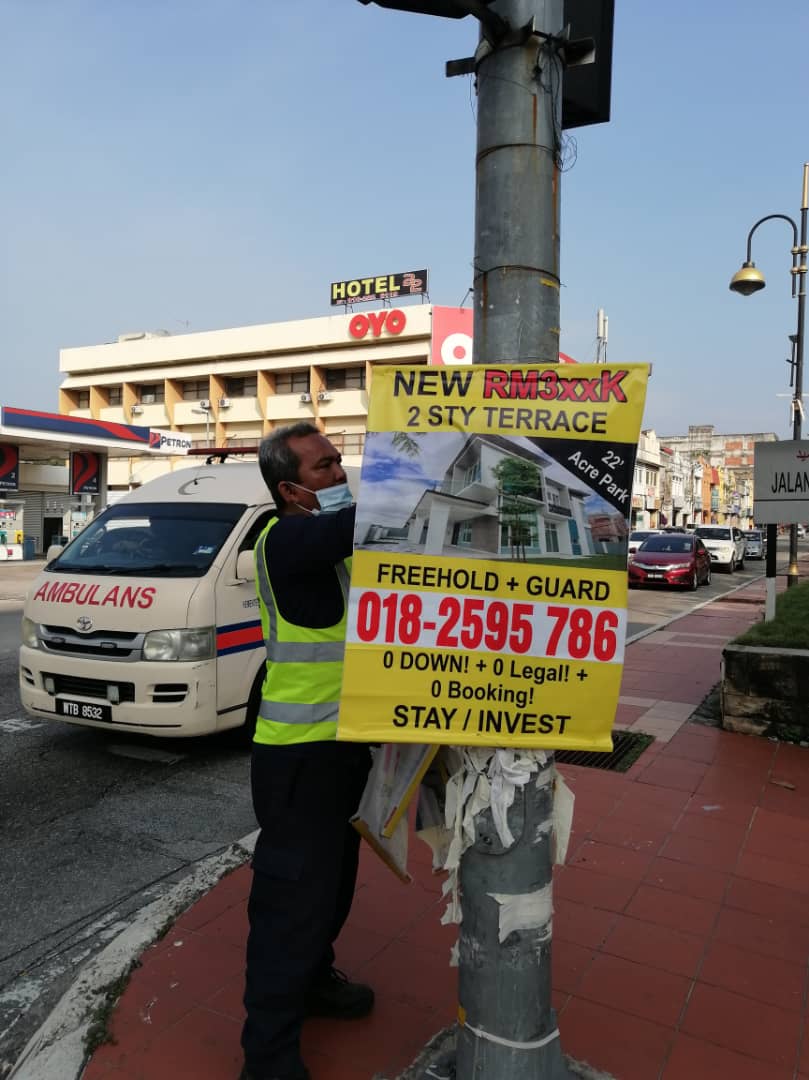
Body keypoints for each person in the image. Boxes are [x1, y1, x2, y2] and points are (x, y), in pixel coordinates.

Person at [241, 422, 373, 1080]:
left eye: (339, 461)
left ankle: (315, 982)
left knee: (332, 888)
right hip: (298, 756)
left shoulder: (330, 543)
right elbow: (360, 526)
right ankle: (265, 1060)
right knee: (290, 904)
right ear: (290, 489)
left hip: (342, 747)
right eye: (326, 467)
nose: (342, 473)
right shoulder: (287, 538)